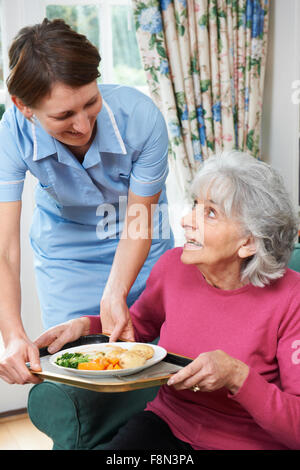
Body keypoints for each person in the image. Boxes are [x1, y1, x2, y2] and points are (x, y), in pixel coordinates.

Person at [35, 151, 300, 450]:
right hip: (168, 425)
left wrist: (237, 376)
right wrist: (86, 327)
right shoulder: (174, 266)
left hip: (246, 442)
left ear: (249, 242)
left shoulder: (292, 299)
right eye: (195, 205)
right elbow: (137, 330)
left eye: (210, 213)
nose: (186, 221)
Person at [0, 18, 173, 385]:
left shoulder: (140, 118)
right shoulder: (10, 136)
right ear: (23, 106)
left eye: (90, 103)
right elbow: (4, 249)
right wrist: (13, 336)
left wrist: (116, 292)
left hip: (139, 240)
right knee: (78, 368)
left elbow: (139, 221)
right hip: (67, 253)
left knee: (147, 363)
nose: (82, 126)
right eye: (63, 116)